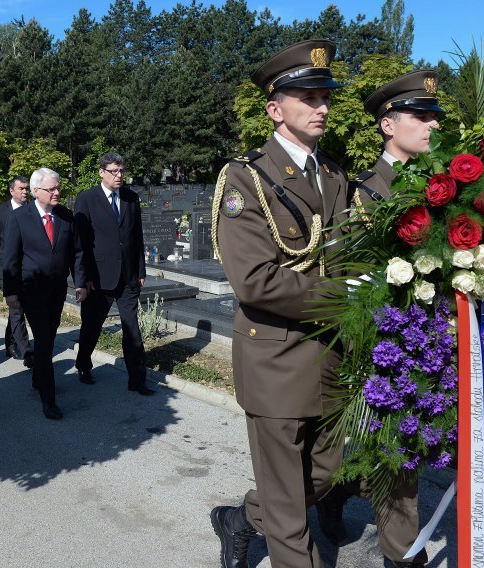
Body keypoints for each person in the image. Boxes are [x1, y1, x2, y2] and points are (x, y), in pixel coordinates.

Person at [209, 40, 349, 568]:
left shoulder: (333, 175)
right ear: (275, 109)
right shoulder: (246, 178)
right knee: (292, 521)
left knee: (323, 474)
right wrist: (342, 299)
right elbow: (254, 280)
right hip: (275, 358)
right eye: (308, 97)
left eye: (325, 97)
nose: (322, 107)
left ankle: (240, 518)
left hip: (329, 359)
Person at [315, 70, 444, 568]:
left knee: (404, 450)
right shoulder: (367, 193)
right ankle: (403, 556)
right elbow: (357, 282)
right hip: (387, 347)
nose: (431, 126)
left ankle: (336, 490)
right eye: (420, 116)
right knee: (399, 455)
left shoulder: (441, 186)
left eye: (434, 116)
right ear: (388, 125)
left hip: (434, 341)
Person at [1, 169, 85, 420]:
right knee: (45, 339)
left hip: (57, 289)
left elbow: (76, 253)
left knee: (50, 330)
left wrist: (79, 282)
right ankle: (49, 399)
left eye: (58, 188)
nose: (57, 193)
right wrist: (11, 291)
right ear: (37, 191)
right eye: (52, 189)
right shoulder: (19, 217)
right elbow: (11, 258)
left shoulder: (65, 216)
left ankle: (39, 378)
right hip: (31, 290)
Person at [73, 153, 153, 396]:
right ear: (101, 172)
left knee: (132, 329)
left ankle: (137, 379)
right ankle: (83, 364)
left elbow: (136, 236)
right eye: (113, 172)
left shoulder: (130, 198)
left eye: (121, 171)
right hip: (98, 277)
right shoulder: (87, 198)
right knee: (91, 327)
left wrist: (140, 269)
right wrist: (83, 278)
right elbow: (81, 243)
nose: (119, 176)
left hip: (128, 276)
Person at [0, 177, 34, 366]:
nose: (24, 192)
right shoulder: (0, 211)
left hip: (28, 268)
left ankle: (10, 342)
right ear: (11, 191)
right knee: (16, 309)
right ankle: (26, 350)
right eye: (21, 188)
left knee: (18, 307)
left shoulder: (32, 209)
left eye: (26, 188)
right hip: (6, 267)